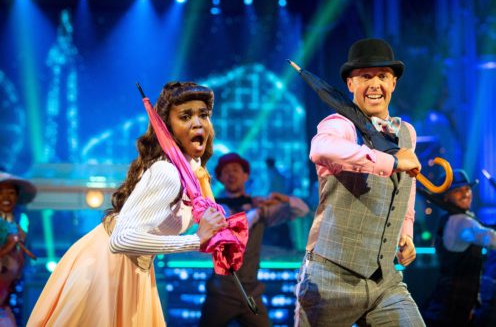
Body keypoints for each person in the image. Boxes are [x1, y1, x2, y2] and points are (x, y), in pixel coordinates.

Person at [27, 82, 228, 326]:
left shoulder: (193, 175)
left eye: (203, 115)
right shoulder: (168, 172)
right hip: (106, 269)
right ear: (167, 127)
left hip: (135, 270)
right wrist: (196, 240)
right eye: (185, 116)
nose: (198, 123)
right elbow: (121, 239)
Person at [294, 38, 425, 326]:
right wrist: (388, 161)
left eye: (382, 76)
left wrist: (406, 232)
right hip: (330, 278)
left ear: (393, 84)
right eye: (365, 76)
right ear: (350, 85)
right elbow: (320, 149)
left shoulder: (407, 134)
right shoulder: (339, 124)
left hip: (384, 279)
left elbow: (407, 185)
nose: (375, 84)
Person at [199, 152, 309, 327]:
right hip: (221, 292)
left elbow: (301, 210)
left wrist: (284, 198)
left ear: (245, 175)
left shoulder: (259, 206)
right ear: (219, 178)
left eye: (235, 170)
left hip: (251, 292)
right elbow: (227, 235)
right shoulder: (215, 209)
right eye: (226, 171)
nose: (231, 174)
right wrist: (255, 213)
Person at [420, 169, 496, 326]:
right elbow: (492, 239)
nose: (465, 194)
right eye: (458, 190)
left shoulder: (451, 218)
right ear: (446, 197)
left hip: (449, 303)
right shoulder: (462, 222)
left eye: (467, 189)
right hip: (452, 309)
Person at [0, 171, 37, 327]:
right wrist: (8, 246)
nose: (7, 197)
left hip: (7, 299)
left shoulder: (19, 225)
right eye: (1, 193)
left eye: (11, 193)